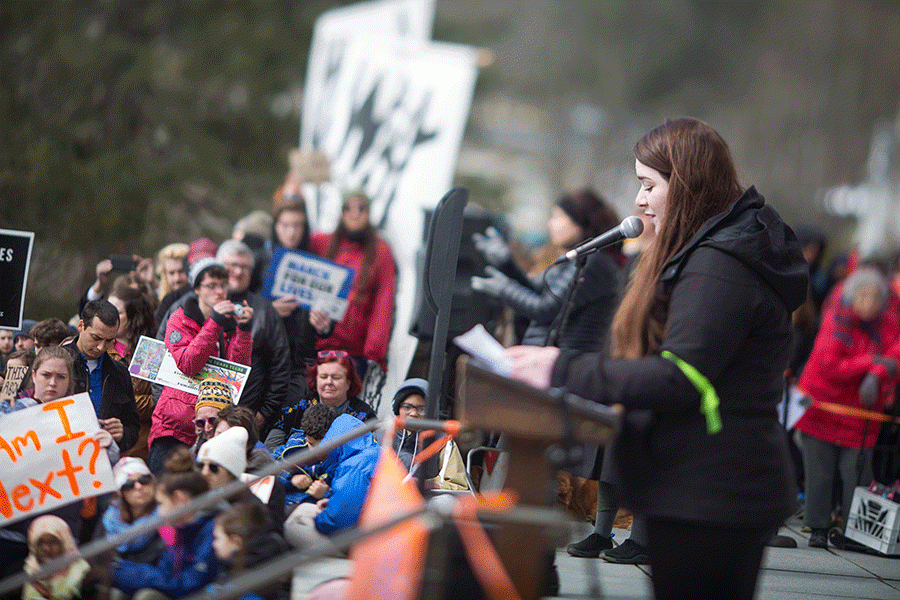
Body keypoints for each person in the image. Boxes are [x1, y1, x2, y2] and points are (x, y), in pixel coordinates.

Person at [506, 118, 808, 600]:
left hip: (713, 491)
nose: (639, 200)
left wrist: (560, 368)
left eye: (650, 185)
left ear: (686, 185)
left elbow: (679, 377)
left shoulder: (719, 266)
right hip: (699, 484)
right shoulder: (708, 254)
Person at [794, 266, 900, 548]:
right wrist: (872, 363)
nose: (869, 303)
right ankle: (817, 527)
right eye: (863, 296)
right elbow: (831, 365)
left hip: (861, 417)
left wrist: (876, 375)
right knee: (820, 473)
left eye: (875, 297)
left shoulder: (889, 322)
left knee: (857, 474)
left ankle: (855, 532)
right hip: (822, 409)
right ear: (852, 296)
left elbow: (895, 355)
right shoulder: (836, 319)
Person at [472, 189, 625, 352]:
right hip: (554, 357)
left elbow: (545, 308)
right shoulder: (580, 257)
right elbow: (538, 290)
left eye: (558, 217)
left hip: (566, 363)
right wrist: (507, 264)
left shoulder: (593, 261)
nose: (550, 223)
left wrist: (505, 289)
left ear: (580, 223)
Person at [148, 258, 253, 474]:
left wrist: (243, 330)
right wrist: (214, 323)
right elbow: (188, 364)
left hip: (213, 426)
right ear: (196, 289)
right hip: (174, 428)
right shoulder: (180, 318)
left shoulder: (228, 322)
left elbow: (237, 372)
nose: (219, 292)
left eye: (223, 285)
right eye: (211, 286)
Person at [309, 190, 396, 380]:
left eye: (361, 208)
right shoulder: (322, 242)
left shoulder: (380, 250)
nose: (354, 213)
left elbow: (384, 301)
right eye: (348, 208)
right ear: (341, 212)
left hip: (354, 351)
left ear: (369, 213)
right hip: (318, 344)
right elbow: (291, 238)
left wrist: (374, 351)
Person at [259, 188, 332, 413]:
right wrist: (268, 311)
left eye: (297, 225)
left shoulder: (318, 264)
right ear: (275, 227)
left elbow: (329, 316)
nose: (291, 232)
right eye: (285, 225)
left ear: (305, 228)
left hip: (301, 361)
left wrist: (325, 326)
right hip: (264, 357)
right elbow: (243, 304)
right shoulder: (260, 261)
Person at [111, 447, 218, 600]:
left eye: (161, 503)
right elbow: (166, 572)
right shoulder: (180, 528)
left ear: (180, 500)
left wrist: (127, 572)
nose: (158, 512)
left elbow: (188, 584)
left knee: (147, 597)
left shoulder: (212, 529)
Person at [217, 239, 291, 437]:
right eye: (232, 265)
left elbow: (280, 364)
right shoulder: (200, 303)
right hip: (200, 413)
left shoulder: (264, 309)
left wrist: (266, 411)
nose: (239, 272)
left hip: (246, 417)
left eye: (245, 267)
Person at [282, 404, 379, 552]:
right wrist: (330, 502)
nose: (310, 450)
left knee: (290, 527)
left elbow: (334, 521)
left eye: (314, 445)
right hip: (368, 527)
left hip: (368, 544)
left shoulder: (354, 467)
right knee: (302, 510)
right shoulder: (362, 451)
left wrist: (323, 514)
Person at [64, 300, 141, 453]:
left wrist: (122, 433)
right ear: (81, 326)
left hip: (103, 461)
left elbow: (133, 427)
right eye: (96, 338)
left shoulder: (120, 372)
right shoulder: (55, 362)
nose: (101, 347)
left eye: (109, 341)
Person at [265, 349, 376, 451]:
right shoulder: (295, 407)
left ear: (348, 382)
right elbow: (270, 447)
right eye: (323, 377)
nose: (329, 382)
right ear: (315, 379)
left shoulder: (364, 415)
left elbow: (370, 456)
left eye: (336, 377)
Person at [196, 425, 285, 528]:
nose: (205, 472)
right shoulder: (194, 496)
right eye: (201, 465)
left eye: (213, 467)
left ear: (231, 472)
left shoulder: (253, 511)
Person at [108, 282, 158, 459]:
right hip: (104, 443)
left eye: (117, 312)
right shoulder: (99, 349)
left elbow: (158, 400)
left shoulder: (151, 352)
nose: (108, 316)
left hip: (139, 446)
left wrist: (121, 403)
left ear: (134, 316)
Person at [391, 378, 468, 490]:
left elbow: (459, 485)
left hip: (425, 504)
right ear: (397, 408)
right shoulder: (381, 436)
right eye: (407, 407)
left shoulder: (443, 442)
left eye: (421, 409)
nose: (413, 413)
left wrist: (426, 484)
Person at [208, 502, 290, 600]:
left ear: (236, 541)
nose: (213, 544)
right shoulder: (268, 556)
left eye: (217, 538)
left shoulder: (244, 585)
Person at [100, 457, 165, 565]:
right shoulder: (108, 522)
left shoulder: (169, 516)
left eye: (144, 480)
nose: (139, 487)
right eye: (129, 485)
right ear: (120, 492)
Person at [22, 515, 90, 600]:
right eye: (40, 543)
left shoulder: (84, 575)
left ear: (66, 543)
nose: (46, 548)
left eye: (54, 542)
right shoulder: (22, 573)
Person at [190, 379, 233, 455]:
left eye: (212, 420)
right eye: (200, 422)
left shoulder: (253, 452)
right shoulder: (193, 454)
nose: (207, 429)